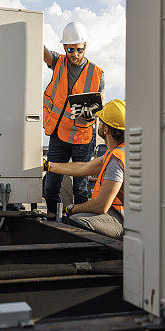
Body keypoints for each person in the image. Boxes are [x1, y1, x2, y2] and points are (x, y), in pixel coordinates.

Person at [42, 21, 105, 215]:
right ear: (64, 48)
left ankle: (78, 223)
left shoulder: (97, 73)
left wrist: (93, 112)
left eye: (79, 49)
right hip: (58, 136)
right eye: (70, 50)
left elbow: (100, 105)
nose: (75, 54)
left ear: (84, 46)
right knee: (51, 187)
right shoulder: (58, 62)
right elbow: (40, 50)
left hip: (82, 138)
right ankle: (54, 219)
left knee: (81, 190)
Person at [43, 99, 125, 239]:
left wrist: (72, 209)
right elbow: (83, 167)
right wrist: (49, 166)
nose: (97, 123)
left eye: (100, 121)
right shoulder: (115, 152)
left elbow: (101, 206)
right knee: (75, 218)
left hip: (123, 219)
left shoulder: (116, 160)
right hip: (120, 213)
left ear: (105, 129)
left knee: (73, 222)